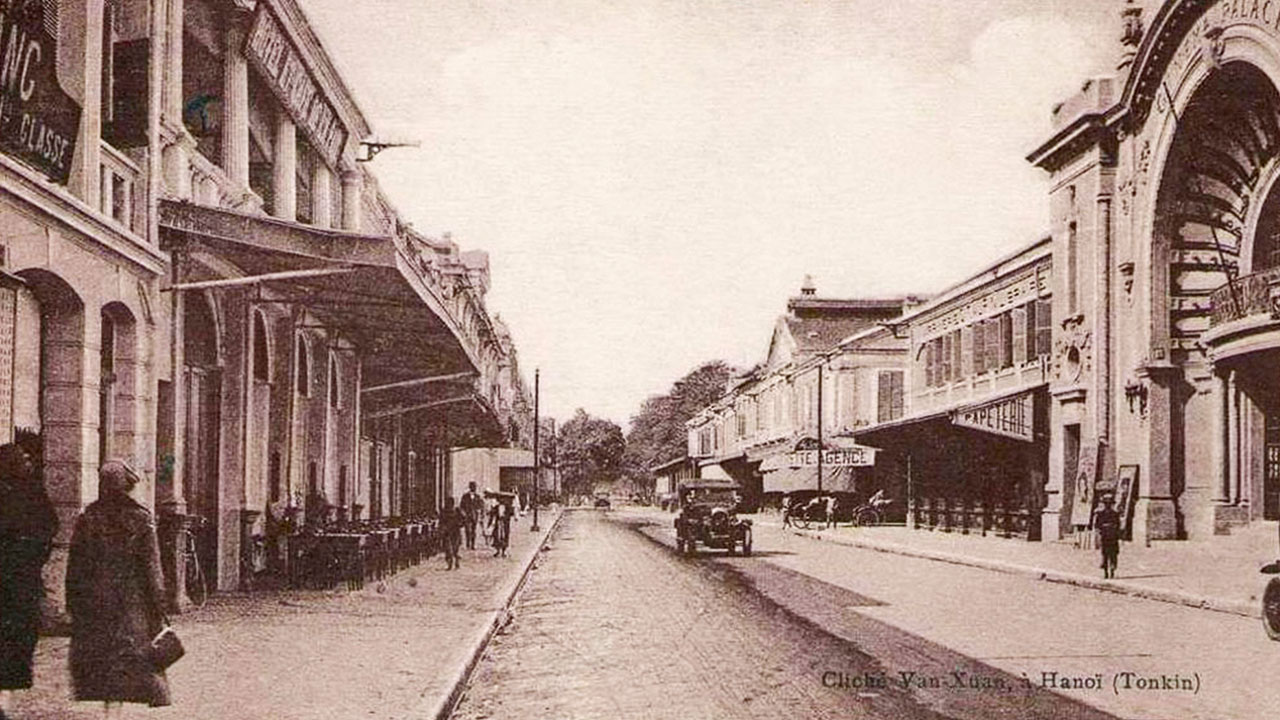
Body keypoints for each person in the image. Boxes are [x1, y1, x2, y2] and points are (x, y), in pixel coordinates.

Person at [66, 459, 171, 716]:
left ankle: (109, 712)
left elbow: (75, 566)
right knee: (128, 660)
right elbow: (152, 567)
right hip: (131, 602)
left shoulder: (89, 517)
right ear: (127, 485)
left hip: (96, 600)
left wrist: (74, 602)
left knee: (103, 659)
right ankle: (115, 714)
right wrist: (159, 605)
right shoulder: (141, 518)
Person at [0, 436, 58, 718]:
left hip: (21, 577)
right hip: (16, 579)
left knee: (19, 638)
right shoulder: (27, 493)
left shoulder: (32, 493)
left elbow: (49, 527)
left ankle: (4, 698)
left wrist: (34, 553)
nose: (29, 463)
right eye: (22, 460)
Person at [1095, 494, 1121, 579]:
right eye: (1106, 503)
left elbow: (1118, 525)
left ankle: (1111, 570)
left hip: (1111, 537)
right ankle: (1107, 571)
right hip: (1107, 537)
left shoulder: (1114, 514)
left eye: (1109, 504)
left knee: (1111, 554)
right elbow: (1097, 526)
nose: (1108, 505)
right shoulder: (1101, 514)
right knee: (1107, 554)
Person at [439, 497, 463, 570]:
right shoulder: (444, 511)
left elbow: (463, 519)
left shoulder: (457, 510)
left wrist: (459, 524)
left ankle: (456, 562)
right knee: (448, 549)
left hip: (455, 532)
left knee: (454, 548)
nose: (449, 505)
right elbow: (441, 522)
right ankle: (450, 564)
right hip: (448, 532)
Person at [459, 482, 482, 550]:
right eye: (472, 487)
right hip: (467, 516)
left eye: (475, 487)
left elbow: (480, 505)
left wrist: (479, 511)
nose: (474, 488)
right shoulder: (465, 496)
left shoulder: (478, 496)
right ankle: (468, 544)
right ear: (470, 487)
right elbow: (461, 506)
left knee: (473, 531)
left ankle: (473, 544)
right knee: (468, 530)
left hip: (474, 516)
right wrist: (463, 513)